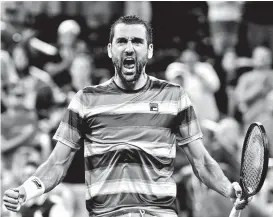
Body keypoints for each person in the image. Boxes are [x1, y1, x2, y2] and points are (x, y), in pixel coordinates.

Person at [3, 15, 249, 217]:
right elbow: (57, 163)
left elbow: (202, 162)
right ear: (110, 50)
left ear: (149, 50)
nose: (129, 48)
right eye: (121, 41)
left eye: (137, 41)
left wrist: (228, 188)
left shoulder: (175, 97)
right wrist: (26, 191)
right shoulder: (85, 101)